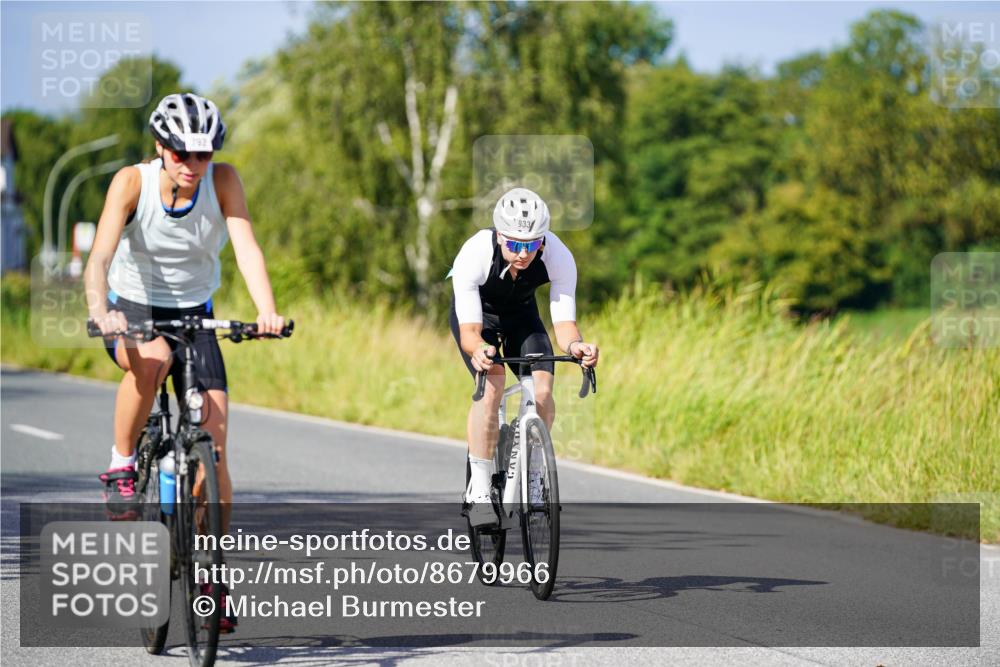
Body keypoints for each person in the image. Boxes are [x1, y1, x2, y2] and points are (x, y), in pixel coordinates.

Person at [84, 92, 286, 632]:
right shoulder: (133, 181)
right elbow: (101, 252)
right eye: (182, 154)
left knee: (214, 455)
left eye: (204, 154)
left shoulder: (223, 181)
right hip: (134, 310)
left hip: (196, 314)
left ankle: (211, 580)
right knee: (149, 361)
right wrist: (101, 310)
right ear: (161, 147)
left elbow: (246, 248)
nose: (193, 165)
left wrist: (266, 311)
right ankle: (123, 461)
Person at [449, 187, 599, 526]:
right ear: (499, 236)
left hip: (521, 316)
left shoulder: (558, 256)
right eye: (514, 244)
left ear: (542, 241)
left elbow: (565, 327)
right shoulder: (475, 253)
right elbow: (470, 334)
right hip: (478, 318)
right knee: (493, 385)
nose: (523, 253)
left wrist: (578, 348)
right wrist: (480, 351)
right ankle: (480, 487)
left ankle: (534, 476)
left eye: (531, 244)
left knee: (542, 390)